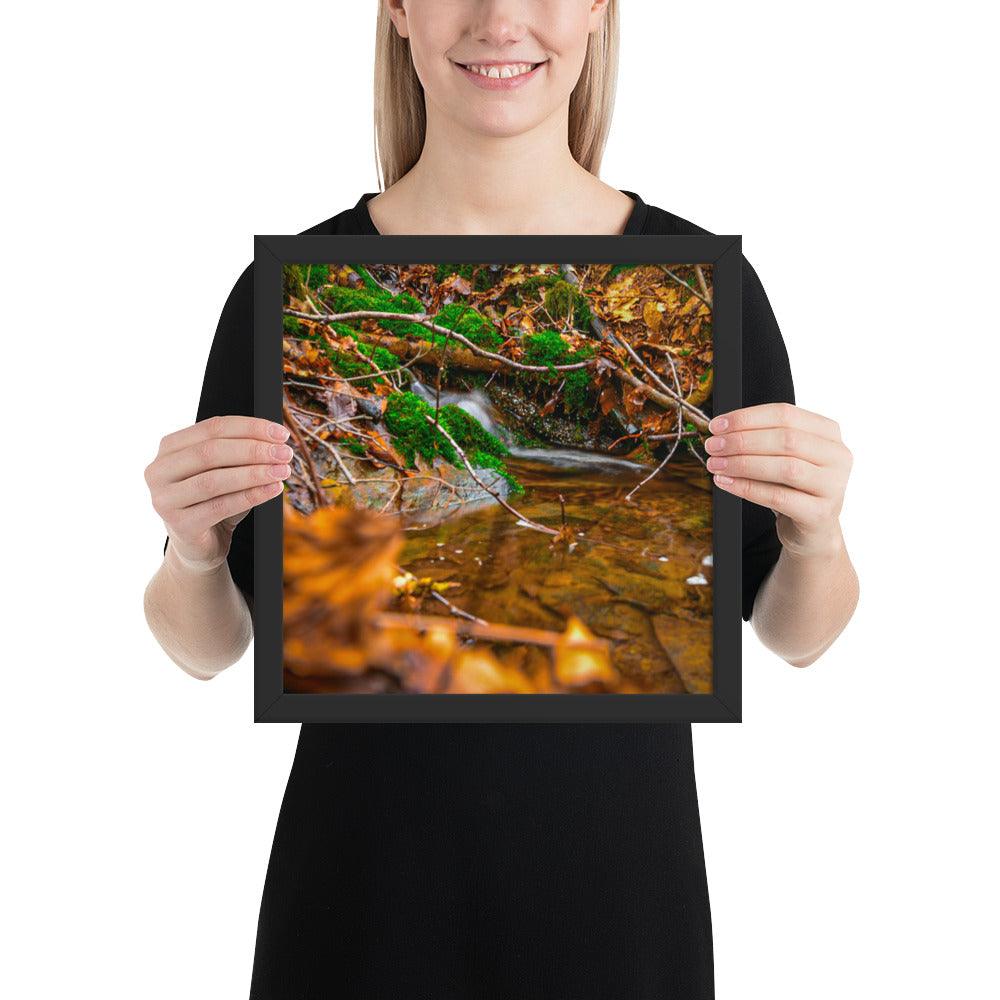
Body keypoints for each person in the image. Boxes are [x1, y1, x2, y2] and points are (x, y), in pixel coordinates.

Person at [143, 2, 859, 996]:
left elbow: (794, 633)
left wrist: (816, 535)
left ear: (601, 9)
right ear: (397, 10)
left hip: (621, 919)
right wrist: (192, 550)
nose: (500, 18)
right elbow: (209, 645)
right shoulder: (288, 295)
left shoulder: (708, 290)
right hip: (359, 919)